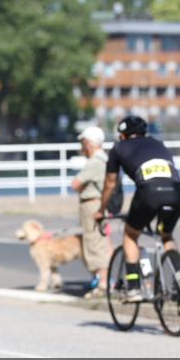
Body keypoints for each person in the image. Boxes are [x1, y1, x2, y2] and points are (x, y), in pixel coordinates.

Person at [96, 115, 180, 302]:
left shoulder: (118, 148)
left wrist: (101, 210)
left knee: (130, 235)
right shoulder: (159, 144)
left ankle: (134, 288)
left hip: (149, 194)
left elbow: (110, 184)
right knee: (165, 234)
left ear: (123, 135)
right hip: (176, 192)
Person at [71, 126, 112, 298]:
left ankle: (102, 283)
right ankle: (103, 280)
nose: (82, 147)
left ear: (89, 143)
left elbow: (76, 184)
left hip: (93, 205)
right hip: (99, 203)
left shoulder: (95, 161)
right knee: (100, 241)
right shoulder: (105, 160)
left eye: (83, 143)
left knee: (95, 242)